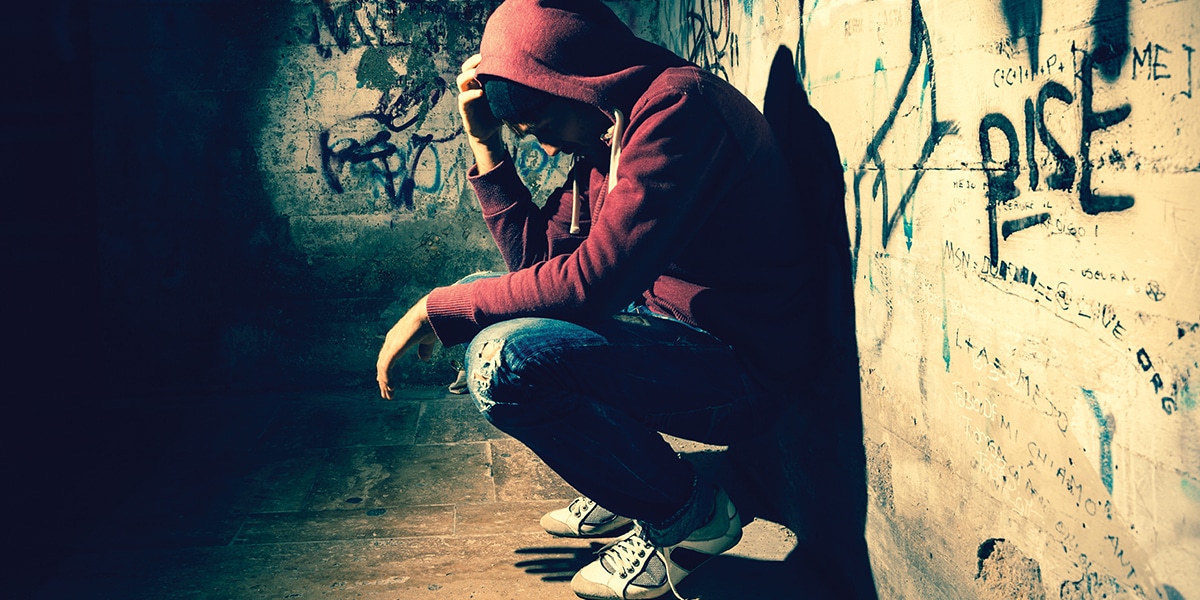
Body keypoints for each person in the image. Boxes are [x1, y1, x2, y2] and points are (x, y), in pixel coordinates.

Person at [375, 1, 827, 598]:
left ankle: (685, 514)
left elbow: (590, 282)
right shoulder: (608, 131)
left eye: (544, 124)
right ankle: (628, 479)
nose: (552, 145)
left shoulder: (678, 110)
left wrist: (437, 310)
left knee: (502, 358)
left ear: (576, 82)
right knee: (488, 307)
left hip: (743, 368)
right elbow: (541, 268)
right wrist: (485, 143)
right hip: (676, 338)